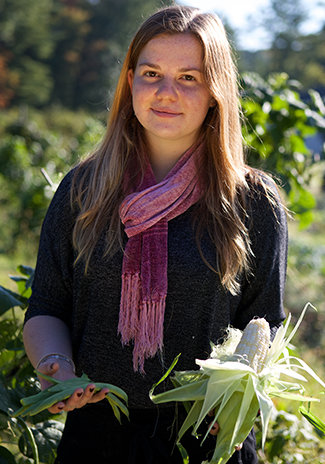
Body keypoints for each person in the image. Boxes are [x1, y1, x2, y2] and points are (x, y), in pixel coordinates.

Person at [23, 4, 288, 464]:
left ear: (215, 91)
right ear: (130, 82)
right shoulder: (84, 190)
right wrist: (57, 369)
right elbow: (47, 307)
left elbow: (265, 325)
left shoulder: (252, 200)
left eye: (189, 77)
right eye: (151, 73)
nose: (166, 92)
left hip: (206, 437)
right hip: (97, 435)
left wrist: (239, 400)